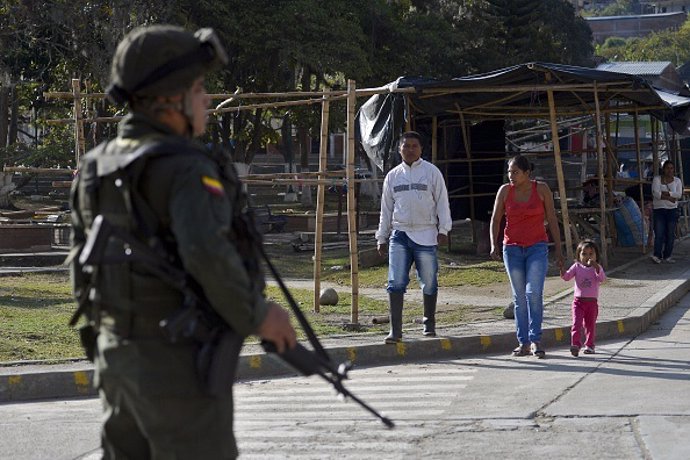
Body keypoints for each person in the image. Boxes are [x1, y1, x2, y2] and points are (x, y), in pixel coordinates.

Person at [68, 25, 297, 459]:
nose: (206, 99)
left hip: (116, 360)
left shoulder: (95, 166)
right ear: (169, 100)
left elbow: (82, 268)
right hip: (175, 369)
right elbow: (206, 253)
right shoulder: (187, 170)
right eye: (198, 87)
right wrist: (258, 314)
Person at [376, 131, 452, 344]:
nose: (410, 149)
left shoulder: (432, 172)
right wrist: (381, 236)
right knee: (396, 282)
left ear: (421, 149)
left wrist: (444, 229)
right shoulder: (392, 176)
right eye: (406, 146)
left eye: (414, 146)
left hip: (426, 234)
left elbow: (442, 201)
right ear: (399, 149)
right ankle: (395, 331)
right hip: (399, 234)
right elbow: (386, 209)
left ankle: (429, 324)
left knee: (429, 281)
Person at [489, 155, 564, 358]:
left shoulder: (541, 189)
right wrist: (493, 243)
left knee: (534, 293)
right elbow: (496, 219)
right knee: (519, 296)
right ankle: (523, 342)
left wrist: (559, 248)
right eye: (509, 172)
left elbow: (552, 219)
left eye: (515, 172)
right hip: (511, 249)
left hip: (537, 247)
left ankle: (535, 340)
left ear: (527, 173)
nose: (511, 176)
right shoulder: (505, 191)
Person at [560, 239, 606, 357]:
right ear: (578, 255)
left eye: (591, 254)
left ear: (596, 255)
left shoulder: (597, 268)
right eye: (584, 254)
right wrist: (561, 268)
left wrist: (596, 267)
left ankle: (590, 345)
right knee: (576, 323)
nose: (587, 257)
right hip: (578, 302)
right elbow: (566, 277)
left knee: (590, 325)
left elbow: (602, 279)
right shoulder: (576, 267)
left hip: (592, 303)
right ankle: (575, 345)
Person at [651, 160, 683, 264]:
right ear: (664, 169)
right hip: (659, 209)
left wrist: (666, 193)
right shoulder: (657, 179)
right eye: (667, 168)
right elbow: (656, 193)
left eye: (671, 168)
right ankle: (657, 255)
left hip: (672, 210)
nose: (670, 170)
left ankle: (667, 255)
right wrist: (669, 197)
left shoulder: (677, 181)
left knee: (670, 234)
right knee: (659, 233)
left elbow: (679, 195)